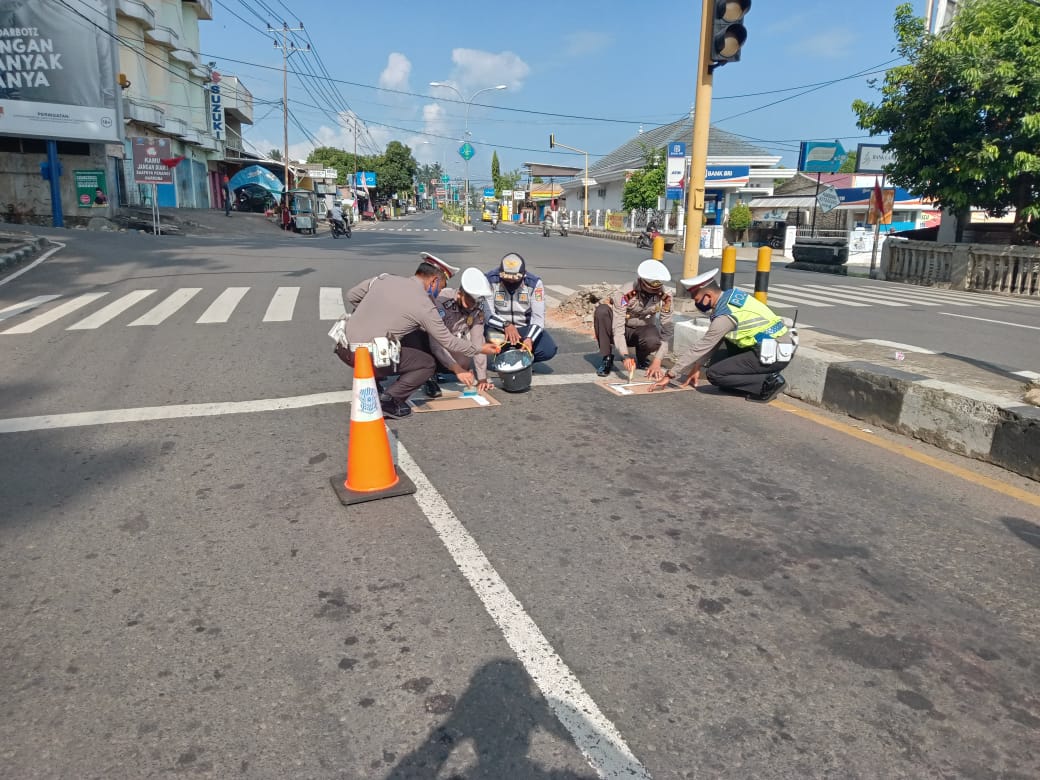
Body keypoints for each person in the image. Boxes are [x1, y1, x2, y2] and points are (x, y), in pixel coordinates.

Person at [335, 253, 500, 419]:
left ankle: (375, 380)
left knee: (403, 335)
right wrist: (480, 349)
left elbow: (352, 296)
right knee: (426, 364)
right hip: (367, 356)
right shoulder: (424, 305)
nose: (440, 291)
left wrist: (375, 315)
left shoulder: (385, 279)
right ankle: (389, 401)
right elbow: (447, 341)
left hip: (343, 348)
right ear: (434, 281)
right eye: (441, 286)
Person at [652, 269, 795, 401]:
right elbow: (714, 342)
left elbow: (702, 346)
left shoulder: (725, 316)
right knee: (719, 361)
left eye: (697, 299)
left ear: (708, 296)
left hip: (772, 354)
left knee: (715, 374)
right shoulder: (731, 296)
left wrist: (670, 374)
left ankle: (769, 382)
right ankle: (738, 382)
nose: (696, 304)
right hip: (778, 347)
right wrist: (697, 366)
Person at [422, 267, 496, 398]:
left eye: (476, 302)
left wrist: (482, 378)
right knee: (426, 353)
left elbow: (478, 342)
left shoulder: (477, 309)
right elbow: (435, 344)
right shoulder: (441, 302)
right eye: (470, 301)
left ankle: (446, 369)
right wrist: (457, 369)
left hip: (449, 342)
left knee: (464, 360)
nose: (473, 305)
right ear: (460, 294)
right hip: (429, 341)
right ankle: (427, 376)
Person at [594, 259, 673, 379]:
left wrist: (657, 360)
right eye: (649, 291)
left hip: (642, 331)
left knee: (652, 339)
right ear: (641, 282)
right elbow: (618, 327)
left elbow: (667, 330)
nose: (652, 294)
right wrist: (625, 356)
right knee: (602, 311)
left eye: (656, 291)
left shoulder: (666, 296)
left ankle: (642, 357)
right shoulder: (625, 293)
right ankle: (607, 358)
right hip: (620, 330)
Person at [484, 252, 557, 363]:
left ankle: (522, 359)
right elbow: (488, 315)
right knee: (488, 338)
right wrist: (506, 325)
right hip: (499, 328)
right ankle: (502, 355)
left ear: (524, 274)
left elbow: (538, 318)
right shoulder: (489, 280)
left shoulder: (534, 283)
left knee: (548, 350)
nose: (511, 282)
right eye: (507, 279)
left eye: (515, 279)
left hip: (524, 328)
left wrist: (530, 338)